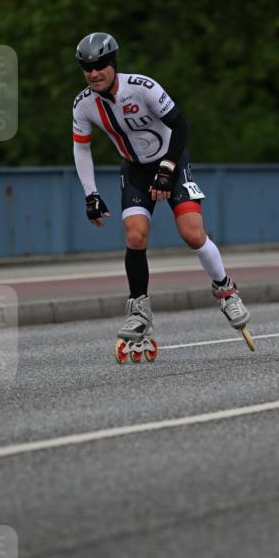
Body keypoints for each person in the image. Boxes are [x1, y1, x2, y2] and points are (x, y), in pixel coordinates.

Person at [72, 31, 250, 346]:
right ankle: (139, 311)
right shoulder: (83, 104)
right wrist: (91, 194)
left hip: (172, 161)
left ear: (113, 63)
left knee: (192, 233)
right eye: (87, 68)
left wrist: (167, 168)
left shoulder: (142, 87)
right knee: (135, 236)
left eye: (99, 66)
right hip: (135, 170)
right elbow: (81, 148)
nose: (94, 73)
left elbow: (180, 126)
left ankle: (226, 290)